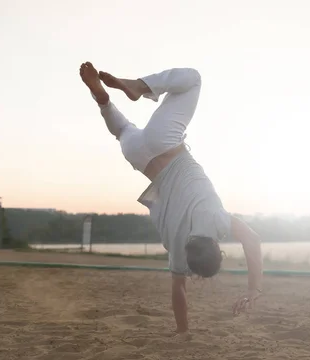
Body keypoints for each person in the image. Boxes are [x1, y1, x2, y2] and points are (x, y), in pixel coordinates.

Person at [78, 62, 263, 338]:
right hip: (140, 158)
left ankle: (139, 86)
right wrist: (182, 331)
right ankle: (103, 101)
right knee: (122, 131)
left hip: (167, 144)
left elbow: (252, 240)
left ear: (217, 247)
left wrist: (253, 291)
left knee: (194, 79)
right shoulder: (179, 249)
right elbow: (179, 289)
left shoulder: (216, 220)